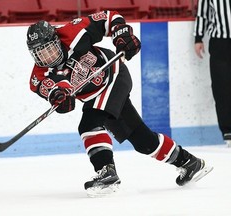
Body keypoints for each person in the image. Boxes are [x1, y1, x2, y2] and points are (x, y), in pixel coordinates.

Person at [26, 11, 213, 197]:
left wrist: (122, 35)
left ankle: (106, 171)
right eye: (41, 54)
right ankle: (189, 163)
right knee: (142, 141)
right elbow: (54, 90)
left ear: (57, 39)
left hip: (114, 74)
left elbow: (109, 17)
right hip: (96, 95)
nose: (48, 57)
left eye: (49, 49)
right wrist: (60, 97)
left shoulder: (73, 31)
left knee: (89, 123)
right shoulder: (38, 77)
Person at [194, 0, 231, 147]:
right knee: (221, 87)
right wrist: (198, 37)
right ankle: (228, 130)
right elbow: (203, 14)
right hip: (220, 42)